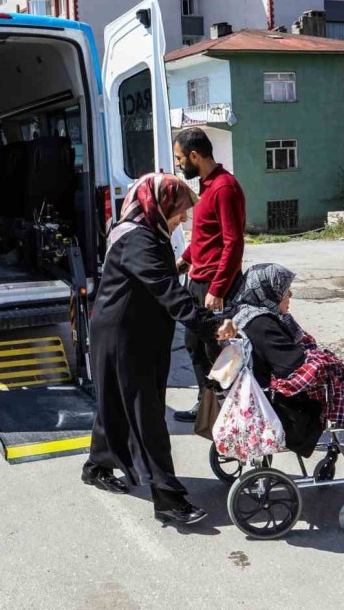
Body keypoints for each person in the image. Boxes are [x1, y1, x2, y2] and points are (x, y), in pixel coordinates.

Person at [81, 173, 237, 526]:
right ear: (160, 204)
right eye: (179, 211)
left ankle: (96, 465)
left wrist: (180, 263)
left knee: (119, 403)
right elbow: (167, 291)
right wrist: (211, 325)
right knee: (146, 414)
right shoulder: (138, 240)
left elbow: (157, 275)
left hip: (138, 333)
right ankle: (166, 497)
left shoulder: (148, 232)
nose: (182, 219)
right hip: (125, 337)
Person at [227, 263, 344, 487]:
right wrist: (324, 361)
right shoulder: (262, 323)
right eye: (285, 290)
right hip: (288, 402)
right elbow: (293, 365)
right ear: (270, 292)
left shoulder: (250, 312)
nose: (290, 294)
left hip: (273, 390)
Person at [170, 128, 247, 424]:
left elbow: (233, 242)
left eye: (180, 158)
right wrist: (184, 259)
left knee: (217, 349)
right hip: (197, 280)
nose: (178, 164)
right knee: (193, 344)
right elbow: (205, 238)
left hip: (215, 285)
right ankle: (207, 407)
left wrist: (218, 288)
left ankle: (234, 409)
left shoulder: (225, 187)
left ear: (194, 155)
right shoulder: (206, 185)